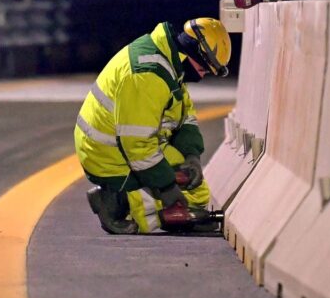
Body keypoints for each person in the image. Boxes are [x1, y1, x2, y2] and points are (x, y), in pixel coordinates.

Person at [74, 18, 232, 235]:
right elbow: (137, 146)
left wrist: (191, 155)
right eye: (205, 68)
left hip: (124, 146)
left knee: (195, 190)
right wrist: (167, 189)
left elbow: (185, 116)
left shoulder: (169, 63)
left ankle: (149, 203)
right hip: (108, 155)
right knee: (170, 202)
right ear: (193, 53)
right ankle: (115, 201)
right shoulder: (147, 75)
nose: (205, 74)